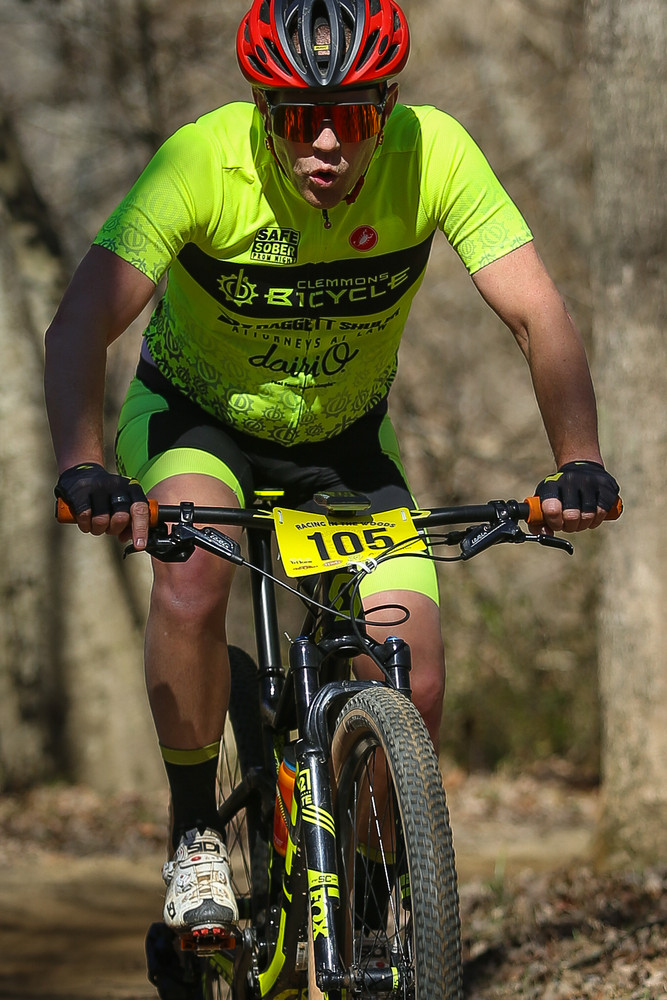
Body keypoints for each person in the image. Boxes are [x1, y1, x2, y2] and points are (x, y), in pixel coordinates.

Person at [44, 0, 619, 943]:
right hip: (197, 419)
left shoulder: (433, 153)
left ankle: (374, 903)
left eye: (349, 117)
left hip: (344, 447)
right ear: (261, 111)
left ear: (384, 107)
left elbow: (536, 313)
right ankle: (194, 837)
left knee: (412, 676)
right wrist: (84, 465)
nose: (322, 143)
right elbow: (81, 322)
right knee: (192, 573)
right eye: (295, 118)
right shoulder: (201, 160)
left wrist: (578, 459)